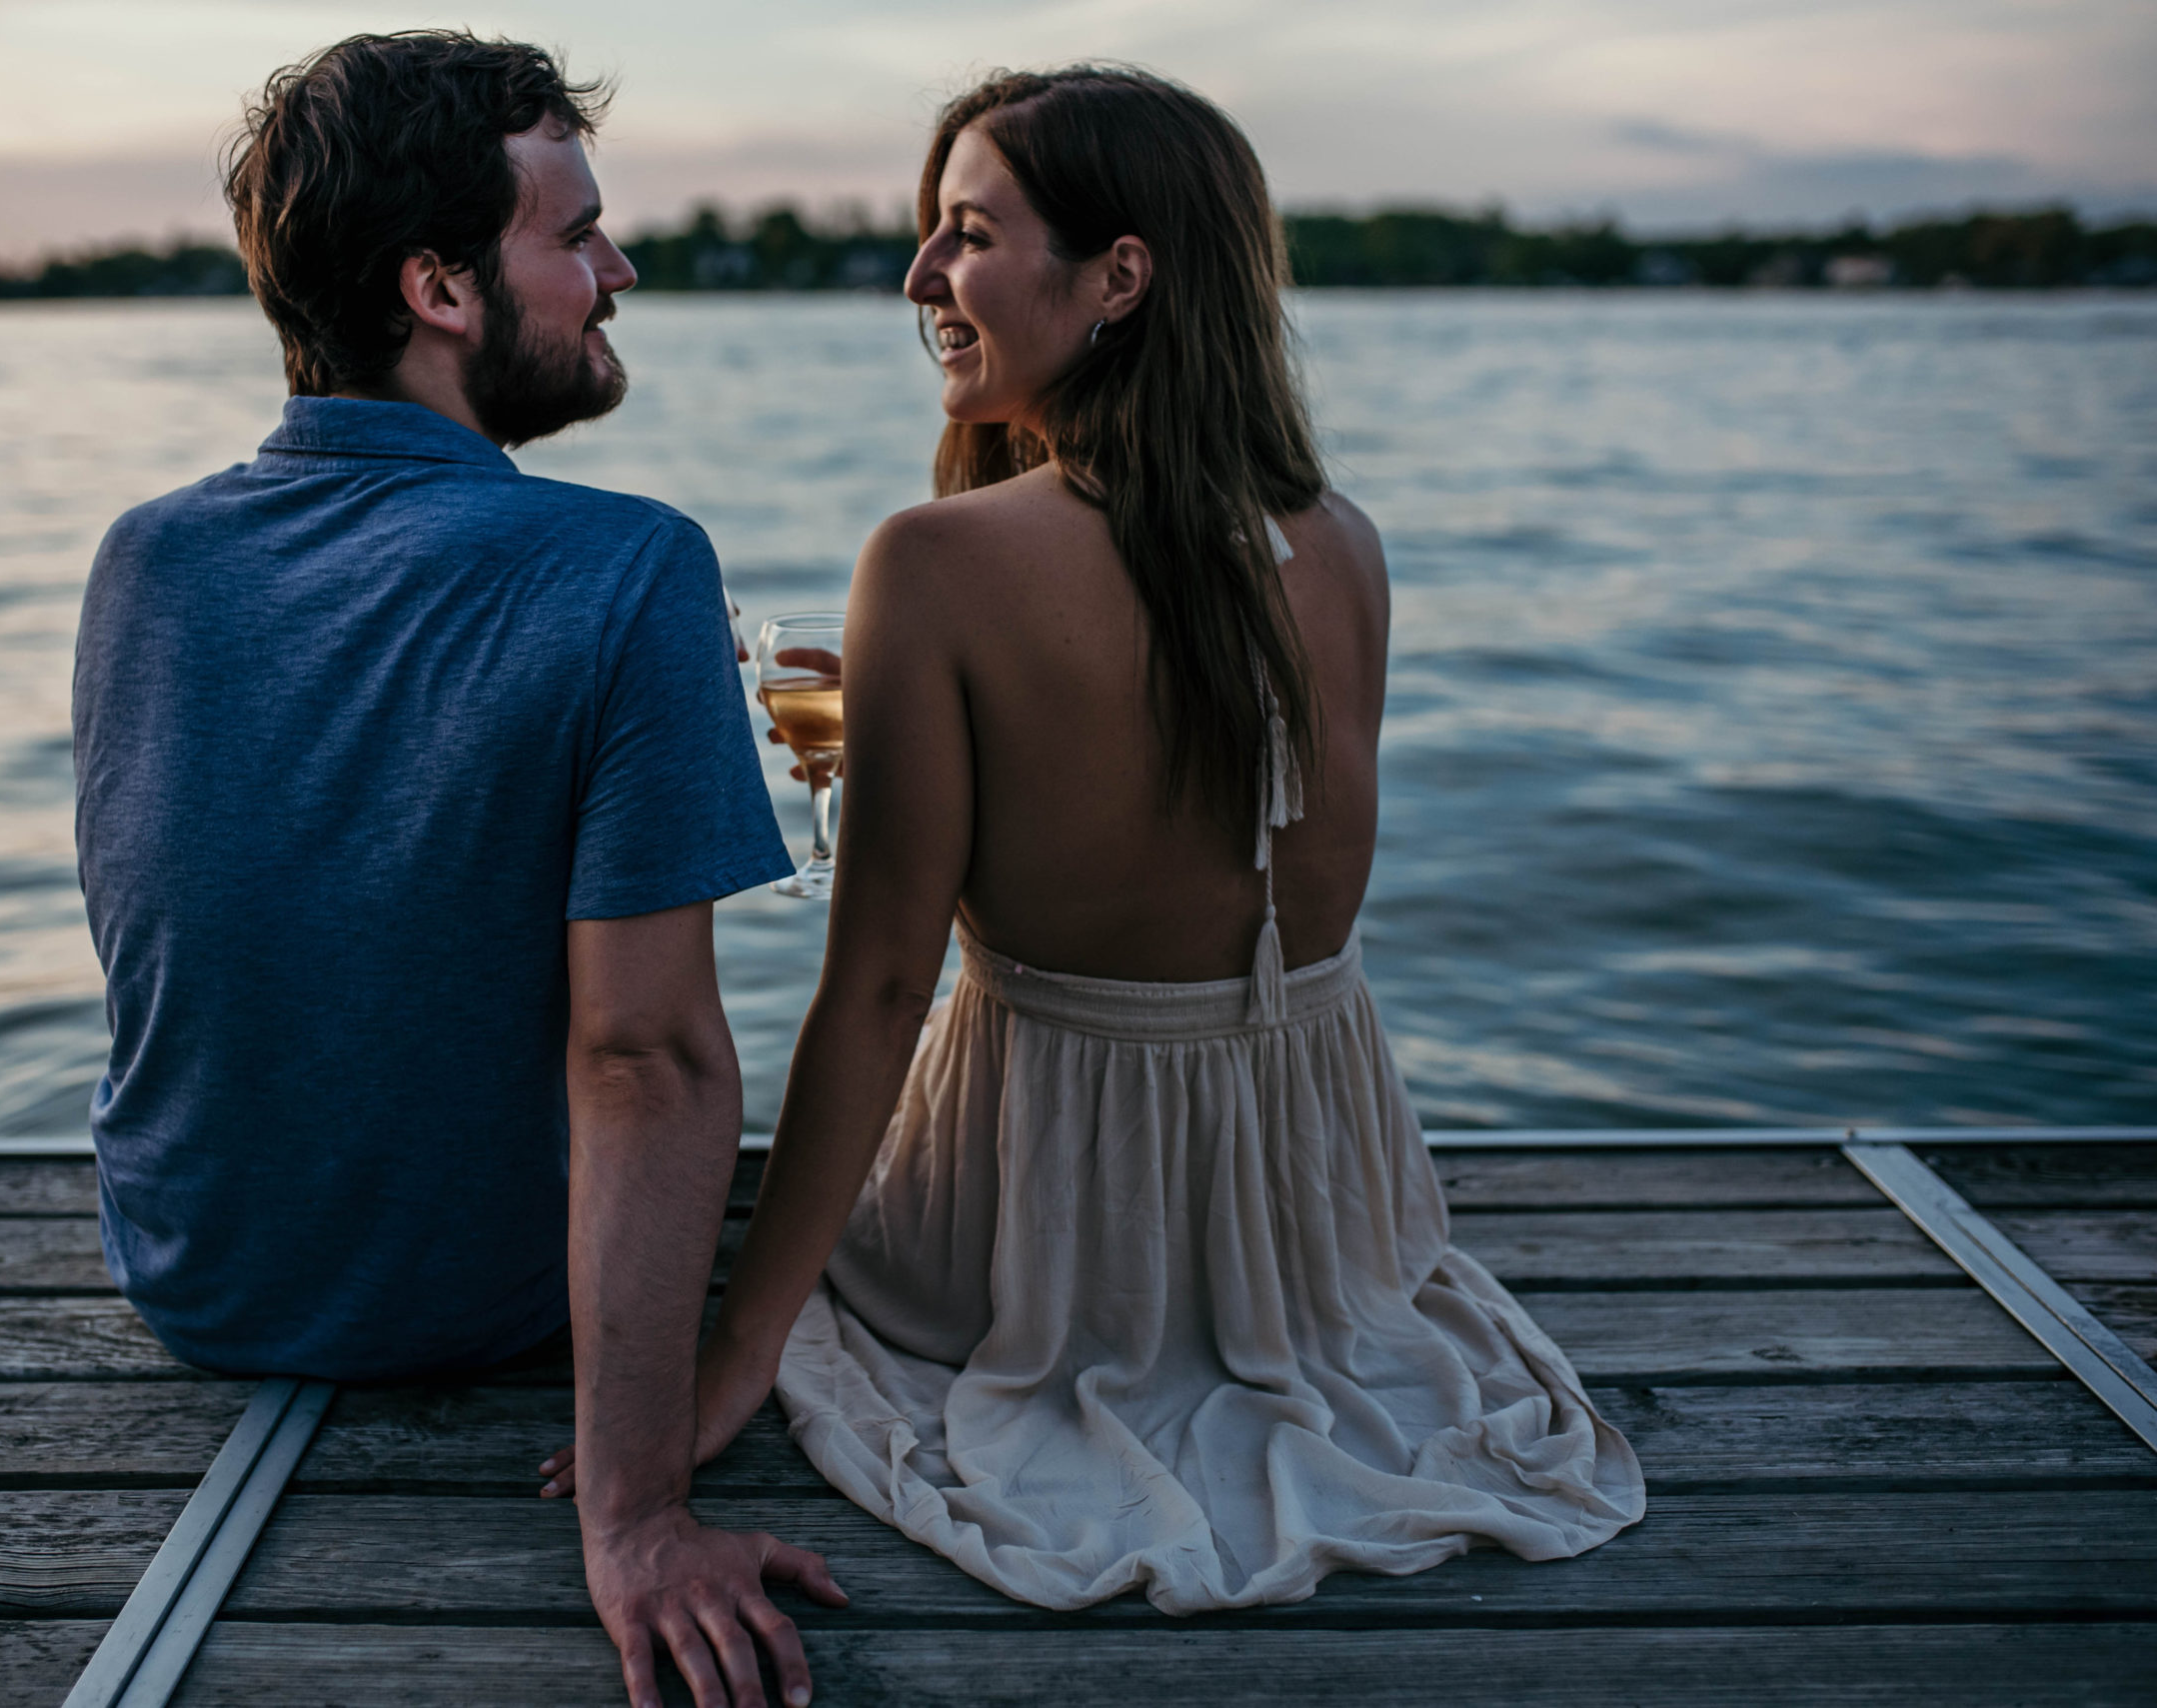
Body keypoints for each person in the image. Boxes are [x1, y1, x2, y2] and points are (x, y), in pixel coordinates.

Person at [547, 65, 1644, 1611]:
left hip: (1056, 1203)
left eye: (967, 234)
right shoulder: (1342, 543)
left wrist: (733, 1351)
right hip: (1327, 1208)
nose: (921, 278)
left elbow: (877, 995)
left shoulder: (933, 564)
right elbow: (1221, 842)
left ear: (1120, 275)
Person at [72, 31, 843, 1708]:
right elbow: (648, 1054)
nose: (616, 272)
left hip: (198, 1280)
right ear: (436, 284)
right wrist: (636, 1510)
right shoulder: (629, 566)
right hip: (472, 1308)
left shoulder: (144, 560)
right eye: (574, 237)